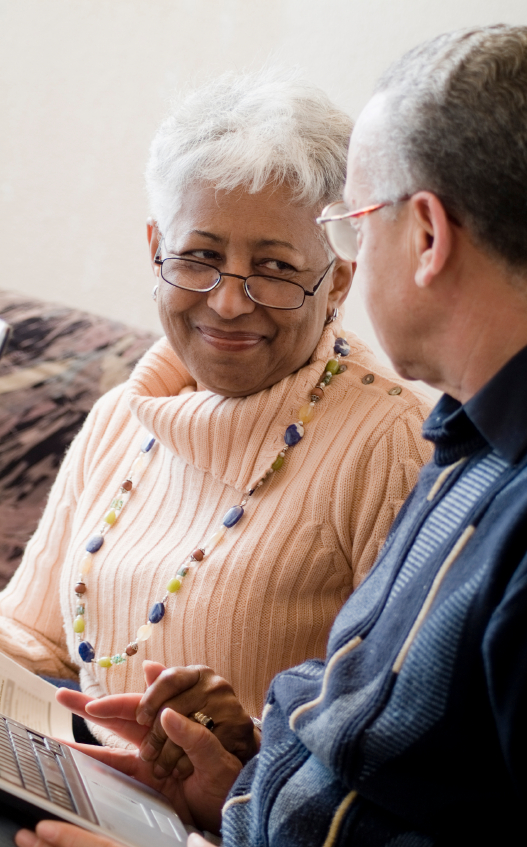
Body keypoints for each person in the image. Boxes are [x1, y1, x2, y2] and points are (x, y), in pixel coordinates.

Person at [16, 22, 527, 847]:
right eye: (199, 256)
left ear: (423, 236)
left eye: (353, 224)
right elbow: (366, 747)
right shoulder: (473, 444)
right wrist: (233, 786)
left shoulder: (484, 471)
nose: (230, 301)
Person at [0, 68, 432, 755]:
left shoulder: (393, 439)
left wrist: (244, 747)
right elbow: (37, 641)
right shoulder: (124, 415)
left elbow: (407, 734)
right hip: (95, 794)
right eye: (199, 256)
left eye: (275, 268)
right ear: (154, 251)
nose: (228, 301)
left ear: (336, 281)